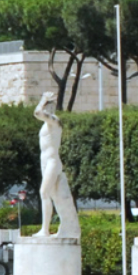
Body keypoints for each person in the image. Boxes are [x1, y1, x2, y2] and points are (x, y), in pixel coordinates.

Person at [34, 95, 79, 238]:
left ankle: (45, 230)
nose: (47, 108)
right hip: (44, 161)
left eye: (49, 105)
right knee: (54, 196)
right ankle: (63, 226)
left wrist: (42, 100)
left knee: (44, 192)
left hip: (52, 161)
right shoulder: (45, 125)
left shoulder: (55, 121)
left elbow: (37, 113)